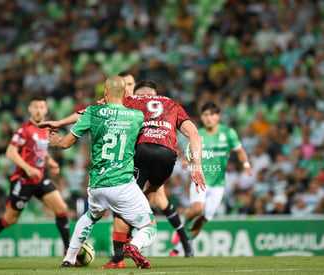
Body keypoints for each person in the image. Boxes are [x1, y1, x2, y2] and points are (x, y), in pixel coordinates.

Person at [39, 79, 205, 260]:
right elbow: (194, 134)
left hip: (138, 153)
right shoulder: (172, 104)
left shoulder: (132, 101)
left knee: (122, 204)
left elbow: (88, 112)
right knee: (152, 193)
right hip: (167, 153)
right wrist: (197, 166)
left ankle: (119, 255)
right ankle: (142, 238)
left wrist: (61, 123)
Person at [51, 76, 157, 269]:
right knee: (150, 227)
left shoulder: (93, 112)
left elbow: (66, 143)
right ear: (126, 94)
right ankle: (133, 246)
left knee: (90, 217)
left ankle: (69, 258)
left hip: (97, 184)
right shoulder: (137, 116)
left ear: (105, 93)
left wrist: (56, 141)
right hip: (123, 184)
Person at [0, 95, 70, 258]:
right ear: (30, 109)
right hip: (23, 180)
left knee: (62, 208)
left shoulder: (46, 129)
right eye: (35, 107)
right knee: (10, 219)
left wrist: (51, 162)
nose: (39, 110)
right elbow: (10, 152)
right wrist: (28, 168)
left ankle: (68, 250)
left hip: (39, 178)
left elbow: (41, 152)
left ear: (46, 110)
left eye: (41, 107)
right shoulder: (23, 129)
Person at [171, 102, 252, 257]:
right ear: (201, 117)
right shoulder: (197, 134)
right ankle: (180, 226)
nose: (209, 118)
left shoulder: (228, 133)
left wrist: (246, 164)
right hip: (200, 179)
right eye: (205, 115)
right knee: (197, 209)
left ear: (218, 116)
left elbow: (239, 151)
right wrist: (187, 160)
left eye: (212, 114)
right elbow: (191, 151)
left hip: (219, 183)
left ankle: (179, 250)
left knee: (204, 218)